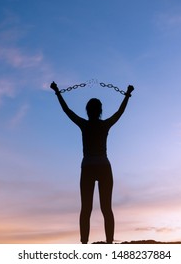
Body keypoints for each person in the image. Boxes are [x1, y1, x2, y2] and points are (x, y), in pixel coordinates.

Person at [50, 81, 134, 244]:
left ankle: (84, 244)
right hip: (103, 166)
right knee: (106, 209)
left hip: (88, 167)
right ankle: (109, 243)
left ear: (88, 111)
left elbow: (67, 111)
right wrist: (127, 94)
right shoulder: (104, 125)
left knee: (86, 209)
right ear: (100, 111)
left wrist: (57, 92)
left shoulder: (84, 125)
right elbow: (120, 112)